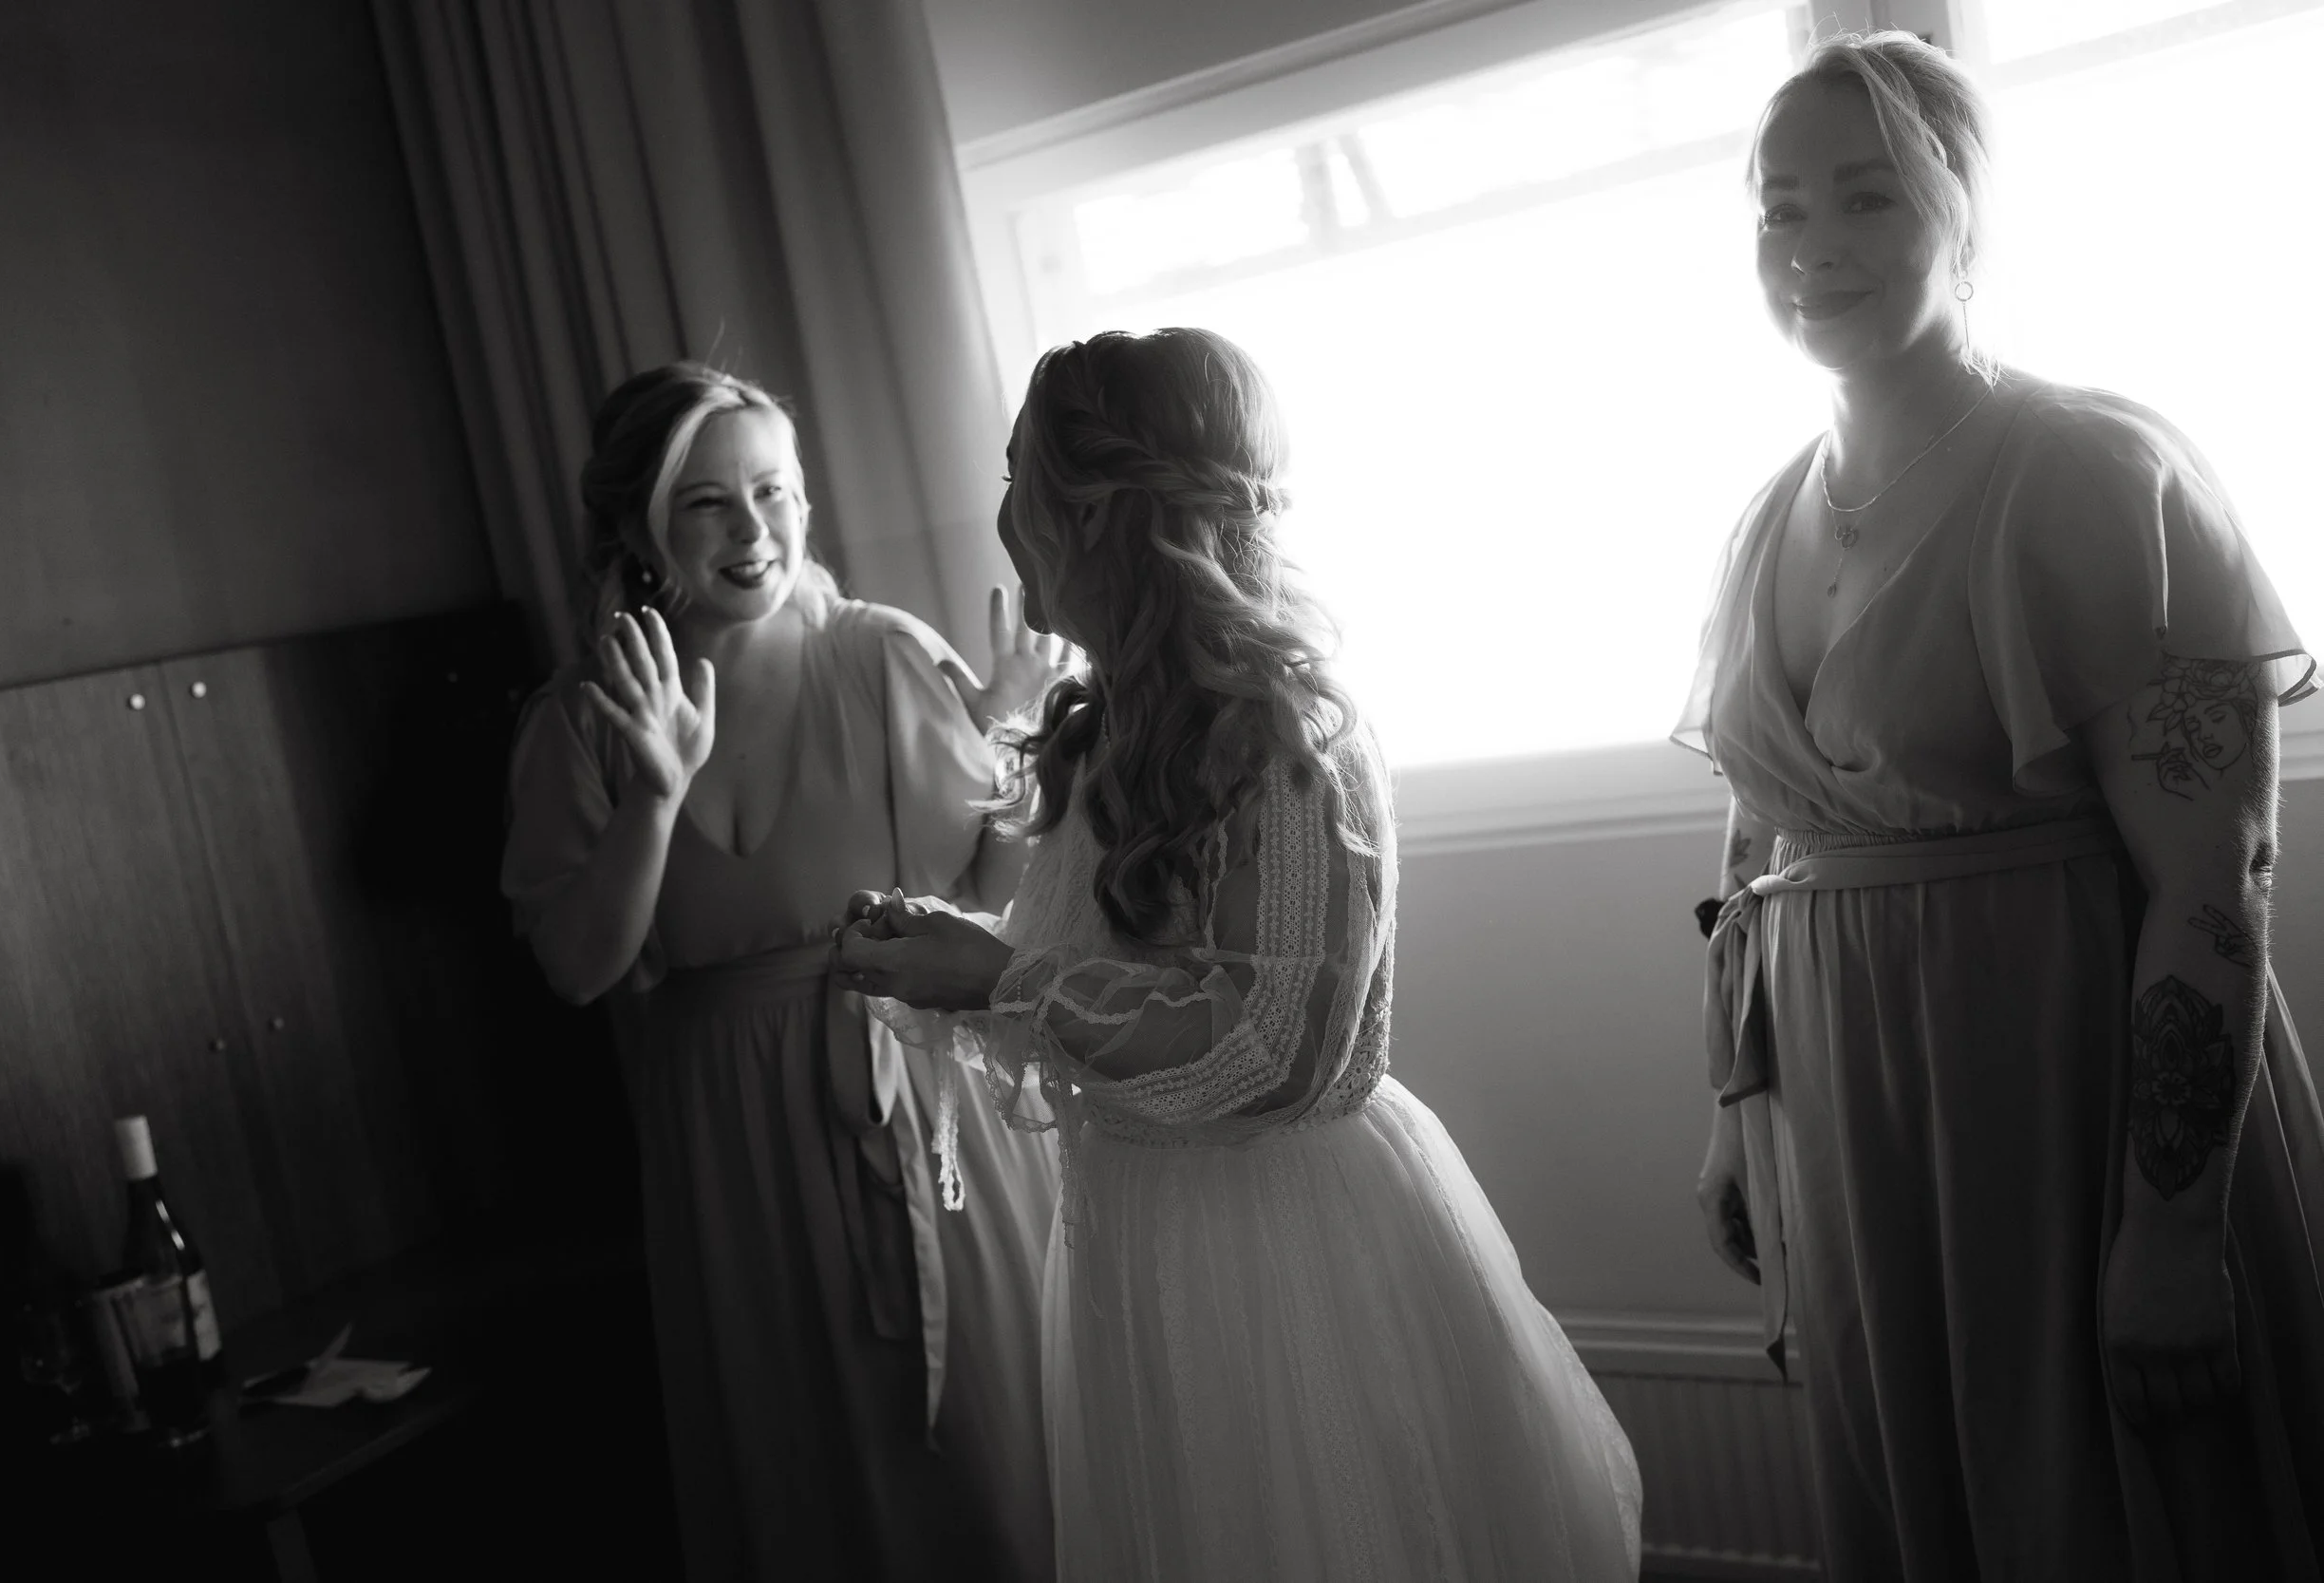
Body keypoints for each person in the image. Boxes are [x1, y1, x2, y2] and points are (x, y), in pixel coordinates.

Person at [835, 328, 1643, 1582]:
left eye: (1017, 476)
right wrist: (962, 948)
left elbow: (1273, 1050)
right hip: (1134, 1234)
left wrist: (996, 978)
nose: (1001, 513)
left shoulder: (1287, 733)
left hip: (1285, 1244)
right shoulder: (1108, 724)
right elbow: (1140, 976)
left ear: (1096, 510)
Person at [1680, 33, 2324, 1580]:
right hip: (1852, 1112)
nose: (1816, 247)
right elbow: (1763, 832)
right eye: (1781, 212)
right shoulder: (1768, 510)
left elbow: (2210, 874)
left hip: (2065, 1091)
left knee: (2120, 1507)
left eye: (1870, 199)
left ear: (1960, 211)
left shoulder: (2091, 472)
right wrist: (1735, 1103)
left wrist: (2169, 1228)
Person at [500, 364, 1061, 1582]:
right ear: (640, 527)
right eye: (706, 503)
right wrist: (654, 794)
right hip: (729, 1148)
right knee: (804, 1470)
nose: (753, 531)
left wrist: (1010, 740)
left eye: (775, 491)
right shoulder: (583, 720)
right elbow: (583, 970)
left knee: (988, 1457)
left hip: (922, 1099)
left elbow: (983, 908)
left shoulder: (882, 657)